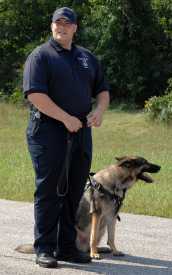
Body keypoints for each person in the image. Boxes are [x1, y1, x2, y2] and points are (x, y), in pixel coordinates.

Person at [23, 7, 110, 268]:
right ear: (51, 26)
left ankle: (67, 247)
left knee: (74, 191)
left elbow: (103, 89)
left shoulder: (87, 58)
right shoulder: (41, 56)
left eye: (67, 23)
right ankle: (45, 248)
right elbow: (35, 95)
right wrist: (64, 117)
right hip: (48, 132)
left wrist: (99, 111)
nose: (61, 27)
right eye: (57, 23)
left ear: (75, 27)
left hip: (81, 133)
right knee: (50, 191)